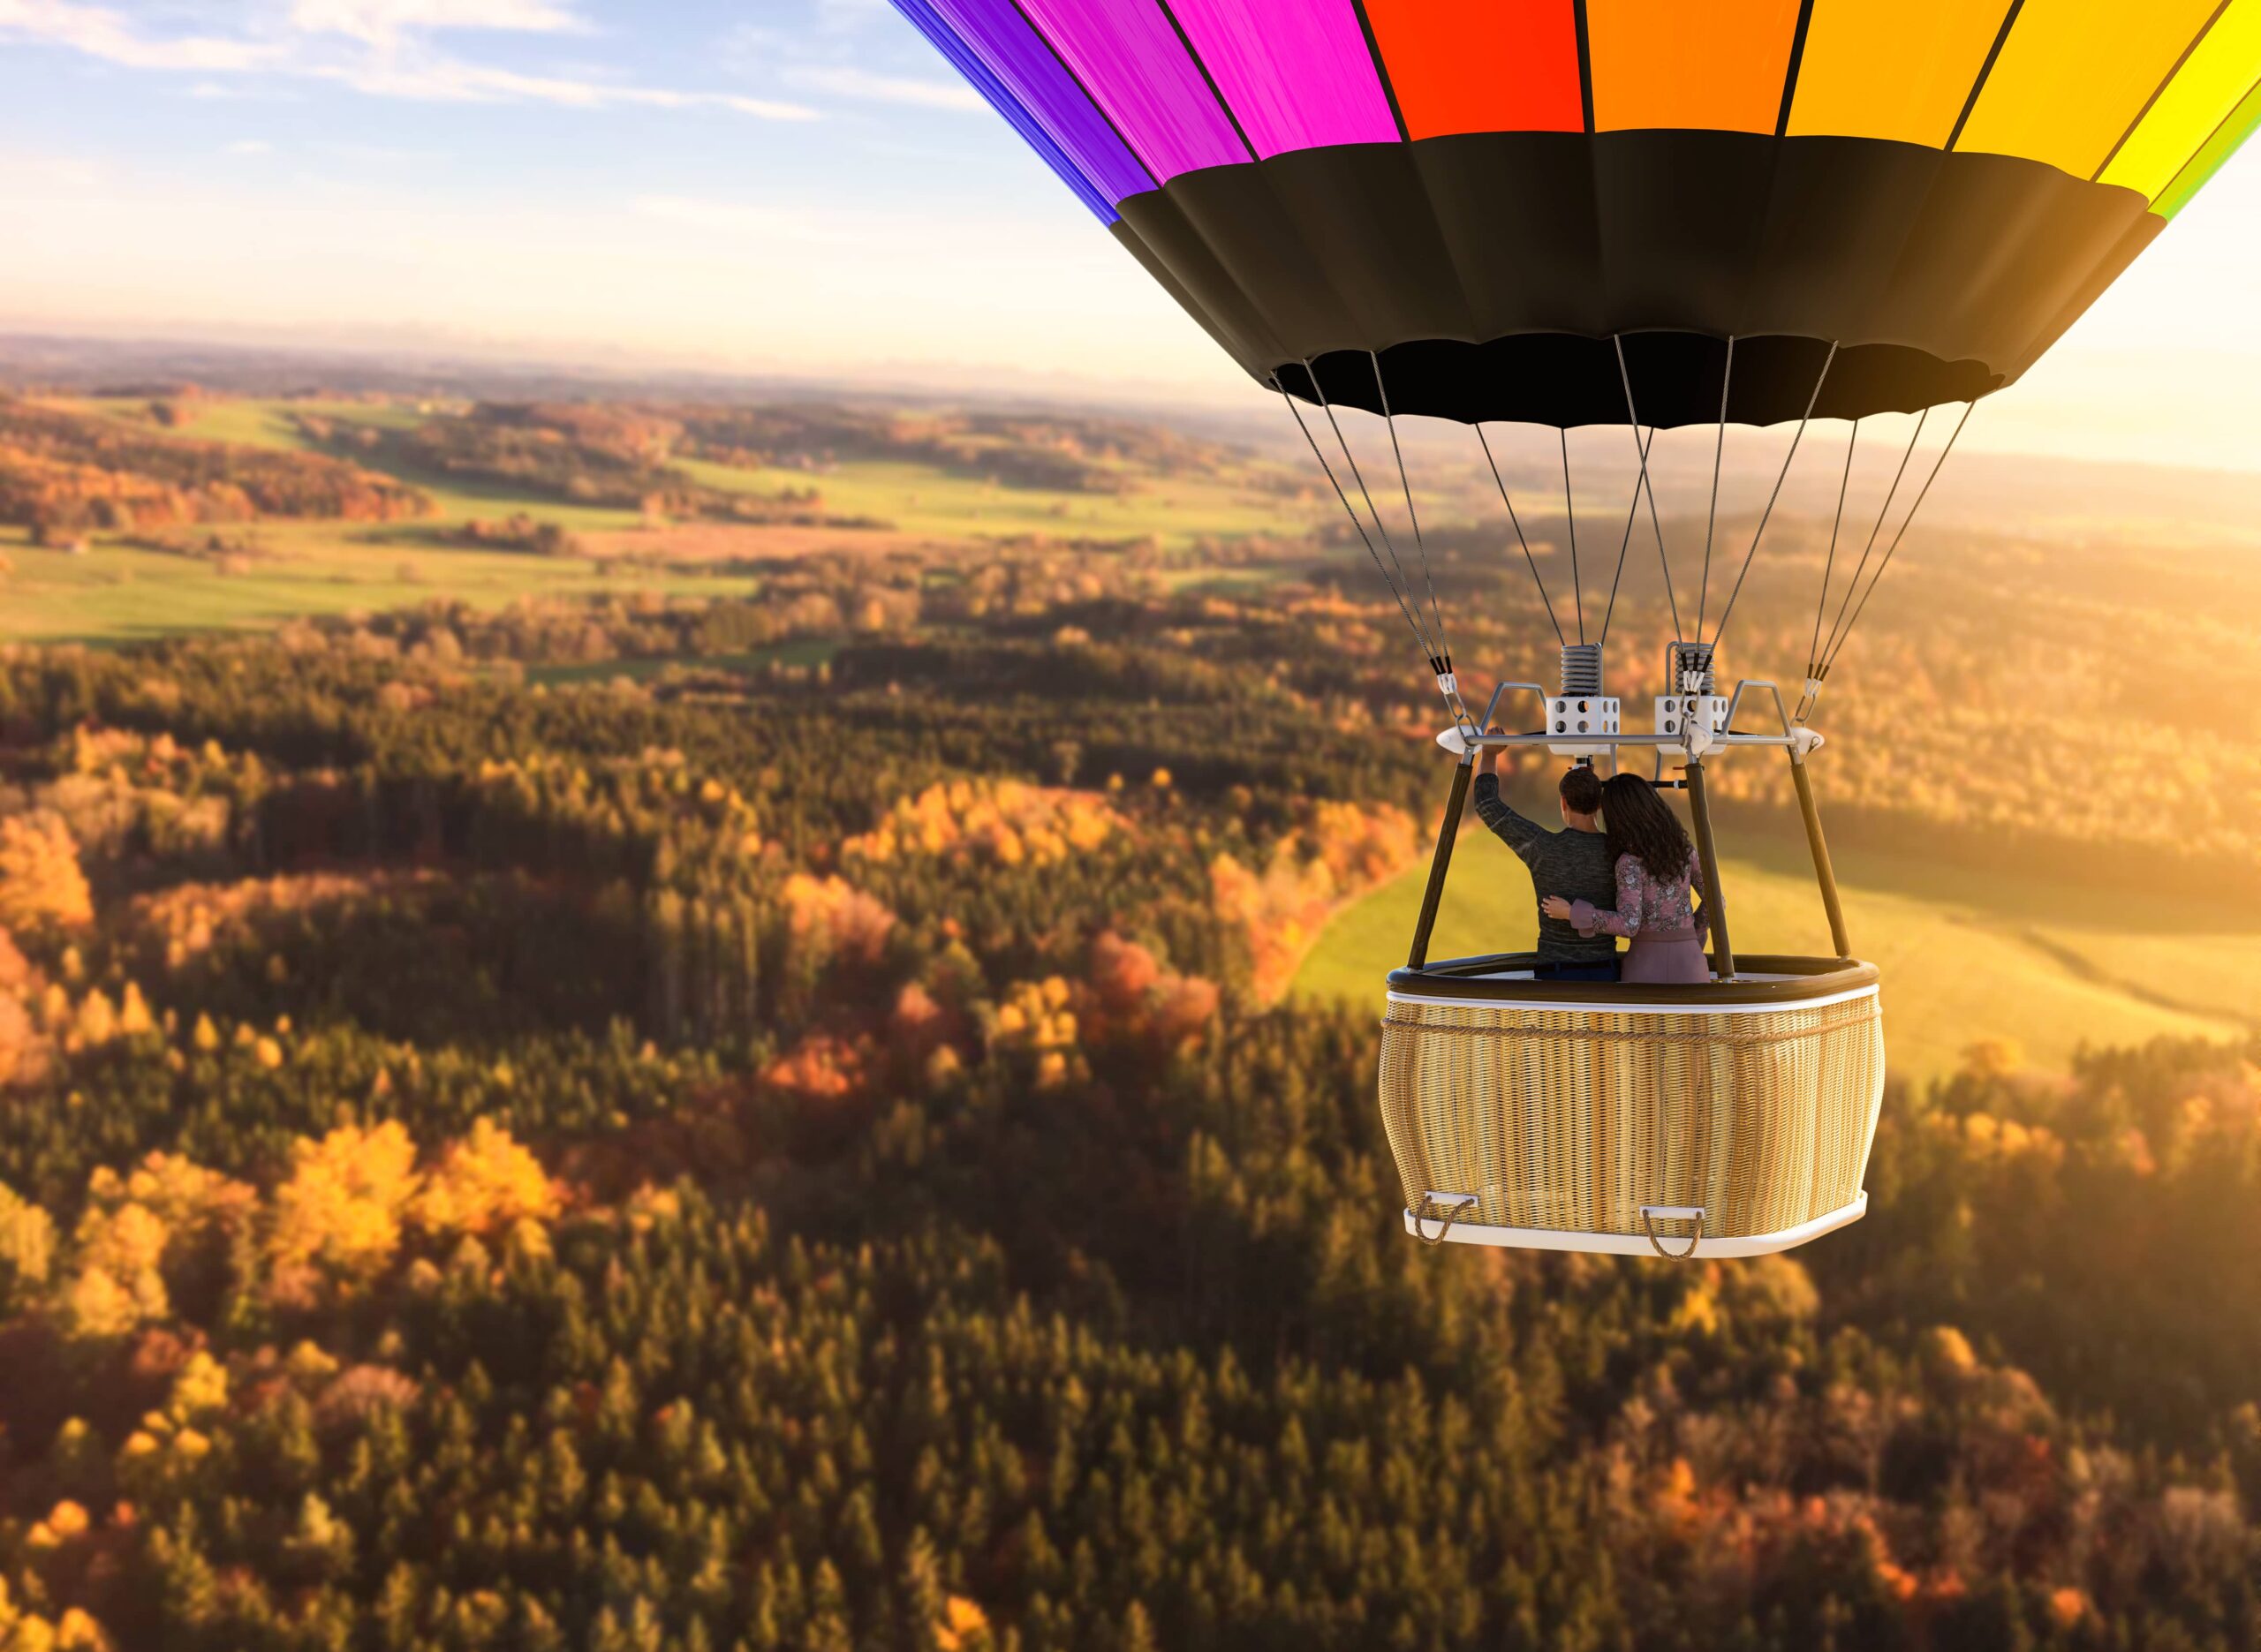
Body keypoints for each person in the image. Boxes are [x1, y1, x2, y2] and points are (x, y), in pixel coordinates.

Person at [1541, 772, 1713, 984]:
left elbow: (1628, 924)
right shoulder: (1685, 851)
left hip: (1646, 966)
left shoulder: (1629, 862)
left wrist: (1571, 912)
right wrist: (1689, 935)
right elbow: (1716, 902)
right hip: (1691, 964)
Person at [1471, 734, 1621, 981]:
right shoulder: (1619, 852)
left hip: (1554, 976)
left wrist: (1489, 753)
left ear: (1563, 802)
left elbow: (1486, 803)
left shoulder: (1542, 847)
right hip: (1606, 974)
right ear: (1600, 804)